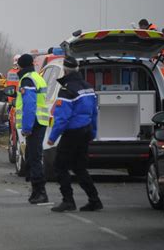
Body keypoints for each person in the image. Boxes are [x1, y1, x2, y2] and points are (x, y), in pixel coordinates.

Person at [48, 56, 103, 212]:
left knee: (60, 166)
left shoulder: (67, 89)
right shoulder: (88, 87)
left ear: (65, 70)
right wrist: (92, 132)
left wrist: (52, 138)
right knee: (79, 167)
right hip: (85, 131)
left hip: (72, 132)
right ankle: (94, 199)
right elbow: (94, 113)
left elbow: (62, 118)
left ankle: (68, 201)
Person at [15, 54, 50, 204]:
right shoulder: (37, 76)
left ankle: (40, 192)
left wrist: (27, 127)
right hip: (39, 122)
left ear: (21, 66)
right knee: (32, 156)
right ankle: (36, 191)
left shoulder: (27, 79)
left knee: (35, 158)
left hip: (34, 122)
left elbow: (29, 105)